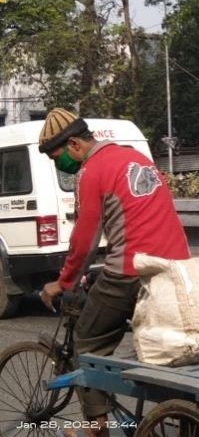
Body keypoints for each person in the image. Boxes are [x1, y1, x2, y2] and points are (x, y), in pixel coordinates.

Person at [38, 108, 190, 437]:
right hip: (177, 264)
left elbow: (85, 239)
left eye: (56, 157)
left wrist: (62, 282)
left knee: (87, 340)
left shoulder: (90, 172)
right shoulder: (133, 158)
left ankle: (96, 426)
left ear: (75, 145)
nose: (57, 164)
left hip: (131, 270)